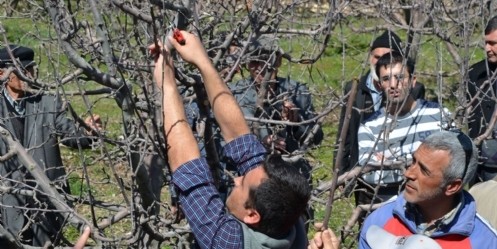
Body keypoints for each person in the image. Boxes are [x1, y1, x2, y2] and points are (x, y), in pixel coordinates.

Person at [150, 31, 311, 248]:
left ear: (252, 215)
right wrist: (201, 61)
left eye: (241, 183)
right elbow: (241, 139)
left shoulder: (228, 242)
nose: (235, 179)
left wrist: (166, 84)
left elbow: (188, 169)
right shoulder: (289, 219)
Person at [0, 45, 102, 246]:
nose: (28, 75)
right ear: (1, 73)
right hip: (7, 204)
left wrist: (89, 132)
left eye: (30, 69)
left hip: (47, 202)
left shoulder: (47, 102)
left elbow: (71, 135)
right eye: (21, 70)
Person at [359, 131, 497, 248]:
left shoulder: (484, 242)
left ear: (452, 186)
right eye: (414, 161)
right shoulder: (380, 221)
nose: (408, 173)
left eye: (424, 170)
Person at [355, 51, 449, 205]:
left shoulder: (438, 115)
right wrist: (426, 166)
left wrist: (390, 163)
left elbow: (454, 160)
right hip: (391, 209)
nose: (393, 85)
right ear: (379, 85)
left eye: (399, 77)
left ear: (413, 80)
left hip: (436, 206)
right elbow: (369, 175)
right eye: (386, 79)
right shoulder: (369, 127)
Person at [231, 34, 323, 181]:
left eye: (267, 60)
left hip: (292, 175)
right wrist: (259, 143)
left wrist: (297, 122)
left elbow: (316, 138)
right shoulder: (235, 94)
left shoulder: (298, 91)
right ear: (247, 64)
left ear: (278, 61)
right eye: (254, 61)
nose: (261, 68)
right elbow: (225, 141)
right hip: (251, 176)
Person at [334, 30, 425, 176]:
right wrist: (340, 173)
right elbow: (345, 135)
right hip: (361, 167)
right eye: (377, 57)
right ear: (371, 58)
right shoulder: (354, 88)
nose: (380, 62)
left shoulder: (413, 89)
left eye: (387, 57)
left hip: (399, 167)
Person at [467, 15, 497, 182]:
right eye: (485, 42)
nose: (487, 48)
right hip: (480, 165)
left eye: (493, 43)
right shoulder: (475, 74)